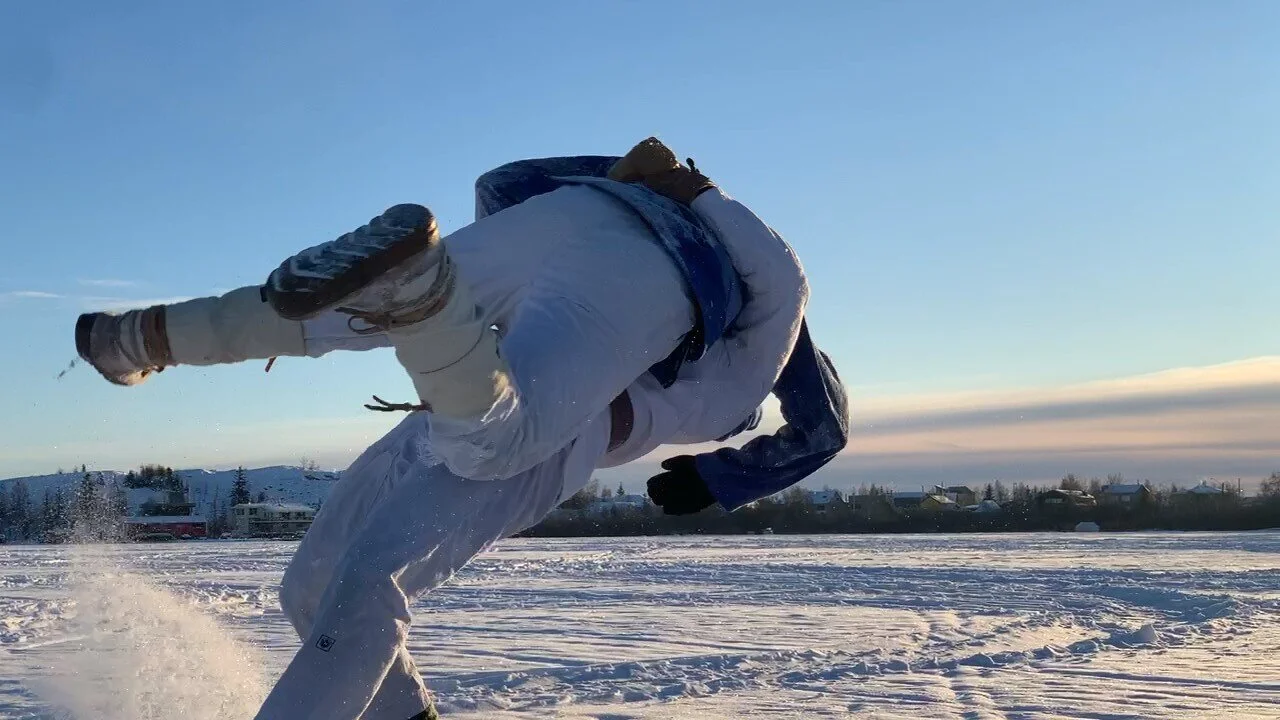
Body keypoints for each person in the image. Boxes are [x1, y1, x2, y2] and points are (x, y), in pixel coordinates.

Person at [75, 138, 849, 719]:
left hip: (561, 227)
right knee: (465, 471)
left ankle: (142, 338)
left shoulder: (619, 199)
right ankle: (429, 308)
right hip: (559, 412)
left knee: (315, 581)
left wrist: (605, 198)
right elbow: (823, 416)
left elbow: (502, 183)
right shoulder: (751, 340)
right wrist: (720, 477)